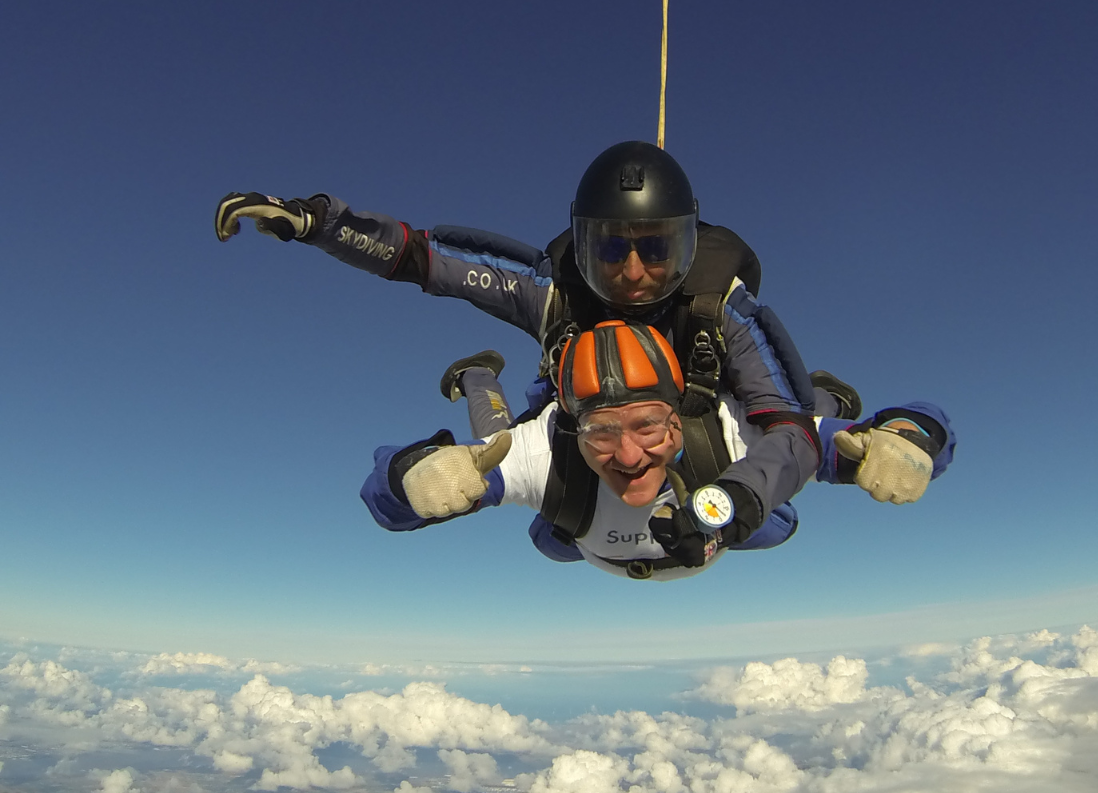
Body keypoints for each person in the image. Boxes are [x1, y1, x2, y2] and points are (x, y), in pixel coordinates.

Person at [216, 141, 858, 552]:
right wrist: (319, 225)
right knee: (551, 523)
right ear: (583, 246)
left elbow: (792, 429)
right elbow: (424, 258)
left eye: (657, 249)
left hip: (690, 424)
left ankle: (483, 383)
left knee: (773, 521)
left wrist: (736, 504)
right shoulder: (556, 295)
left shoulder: (722, 311)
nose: (633, 273)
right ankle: (479, 381)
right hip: (576, 415)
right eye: (611, 249)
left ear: (688, 247)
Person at [363, 321, 954, 580]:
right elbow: (390, 505)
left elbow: (899, 434)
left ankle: (821, 393)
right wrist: (411, 475)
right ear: (573, 426)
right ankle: (476, 376)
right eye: (601, 431)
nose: (628, 455)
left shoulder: (727, 431)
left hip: (633, 535)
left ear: (681, 416)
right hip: (586, 539)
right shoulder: (543, 452)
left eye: (649, 426)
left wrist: (905, 438)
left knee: (789, 462)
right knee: (498, 452)